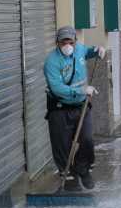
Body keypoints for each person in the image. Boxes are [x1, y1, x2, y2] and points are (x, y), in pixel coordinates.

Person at [44, 26, 106, 191]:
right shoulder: (51, 62)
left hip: (81, 106)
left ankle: (82, 168)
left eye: (70, 42)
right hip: (59, 109)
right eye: (63, 42)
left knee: (87, 140)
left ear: (75, 41)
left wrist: (97, 50)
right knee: (62, 146)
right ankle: (69, 179)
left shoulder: (79, 49)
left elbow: (88, 51)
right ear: (57, 42)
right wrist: (81, 90)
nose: (67, 45)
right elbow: (57, 88)